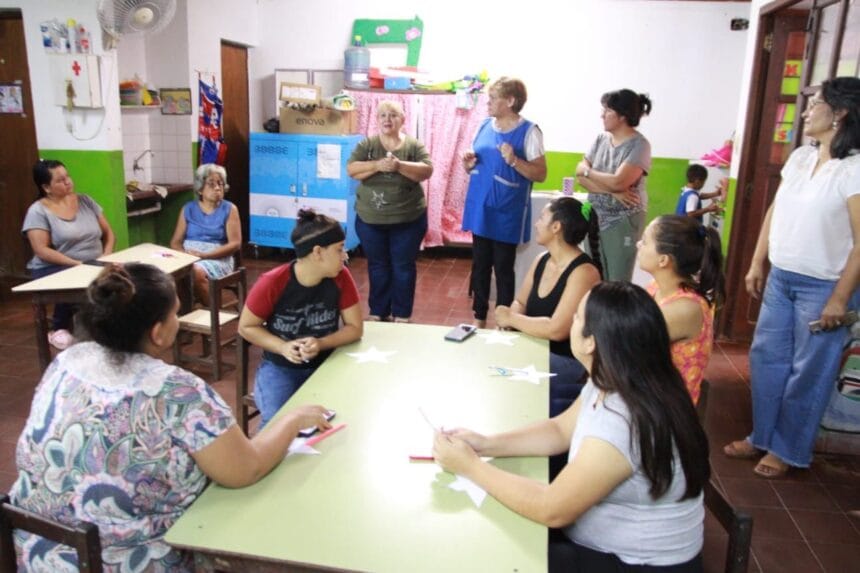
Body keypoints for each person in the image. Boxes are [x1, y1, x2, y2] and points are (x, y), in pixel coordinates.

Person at [9, 263, 333, 571]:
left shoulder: (66, 362)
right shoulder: (176, 392)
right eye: (176, 313)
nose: (178, 320)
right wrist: (290, 420)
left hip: (37, 550)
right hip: (122, 560)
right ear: (158, 333)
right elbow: (245, 469)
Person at [433, 282, 709, 571]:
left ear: (592, 342)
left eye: (577, 317)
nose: (572, 322)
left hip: (632, 563)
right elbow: (560, 430)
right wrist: (486, 443)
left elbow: (551, 508)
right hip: (606, 546)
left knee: (492, 555)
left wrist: (471, 467)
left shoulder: (624, 420)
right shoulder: (622, 376)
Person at [724, 77, 860, 479]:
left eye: (814, 104)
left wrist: (840, 298)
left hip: (823, 286)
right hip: (782, 278)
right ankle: (761, 436)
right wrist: (756, 261)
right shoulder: (801, 157)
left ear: (839, 113)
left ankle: (788, 449)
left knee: (808, 372)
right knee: (766, 360)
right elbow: (775, 211)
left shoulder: (852, 170)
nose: (805, 110)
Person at [239, 209, 363, 428]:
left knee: (342, 413)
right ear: (317, 252)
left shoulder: (341, 277)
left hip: (326, 363)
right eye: (339, 249)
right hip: (279, 367)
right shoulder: (273, 282)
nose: (345, 256)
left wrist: (321, 343)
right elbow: (247, 327)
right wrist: (283, 347)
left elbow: (355, 328)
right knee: (276, 422)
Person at [493, 197, 602, 416]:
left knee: (503, 377)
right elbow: (520, 302)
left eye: (542, 217)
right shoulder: (542, 260)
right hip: (533, 346)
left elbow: (557, 329)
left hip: (565, 358)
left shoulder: (584, 272)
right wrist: (509, 325)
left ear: (556, 227)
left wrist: (511, 319)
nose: (536, 223)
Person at [461, 77, 548, 328]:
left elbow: (540, 174)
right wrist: (469, 164)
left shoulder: (529, 132)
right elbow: (477, 162)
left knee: (503, 269)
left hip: (507, 210)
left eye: (492, 98)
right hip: (481, 207)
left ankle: (504, 321)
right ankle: (478, 318)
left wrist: (514, 161)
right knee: (479, 266)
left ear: (510, 101)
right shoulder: (484, 125)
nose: (487, 103)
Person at [346, 100, 433, 322]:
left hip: (408, 220)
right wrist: (376, 165)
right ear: (377, 120)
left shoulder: (414, 146)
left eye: (393, 115)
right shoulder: (367, 145)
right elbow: (352, 169)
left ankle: (402, 315)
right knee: (377, 266)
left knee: (403, 267)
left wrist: (399, 165)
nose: (387, 119)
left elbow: (426, 170)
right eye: (382, 115)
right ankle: (378, 312)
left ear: (403, 120)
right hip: (370, 220)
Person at [22, 159, 116, 350]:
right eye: (60, 180)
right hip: (54, 267)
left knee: (121, 278)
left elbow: (109, 233)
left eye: (68, 177)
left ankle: (107, 328)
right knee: (76, 279)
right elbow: (41, 250)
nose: (68, 182)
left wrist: (106, 255)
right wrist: (76, 264)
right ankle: (59, 327)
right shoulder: (38, 211)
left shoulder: (86, 201)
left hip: (92, 263)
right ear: (46, 187)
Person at [638, 215, 725, 404]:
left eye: (644, 242)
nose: (638, 245)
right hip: (648, 395)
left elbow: (627, 345)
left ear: (663, 260)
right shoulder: (656, 287)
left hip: (666, 411)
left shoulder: (685, 309)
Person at [575, 89, 652, 282]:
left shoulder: (640, 145)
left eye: (607, 110)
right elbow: (579, 176)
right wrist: (611, 191)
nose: (602, 115)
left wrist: (589, 172)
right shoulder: (601, 139)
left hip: (623, 218)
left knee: (617, 279)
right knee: (593, 273)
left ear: (623, 116)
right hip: (592, 212)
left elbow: (620, 181)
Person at [170, 163, 241, 307]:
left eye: (220, 184)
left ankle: (213, 314)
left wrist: (205, 256)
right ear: (200, 189)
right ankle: (185, 312)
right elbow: (175, 242)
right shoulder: (187, 209)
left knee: (195, 271)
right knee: (170, 273)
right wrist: (185, 255)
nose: (217, 188)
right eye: (211, 184)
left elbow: (235, 243)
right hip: (189, 256)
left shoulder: (230, 209)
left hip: (218, 258)